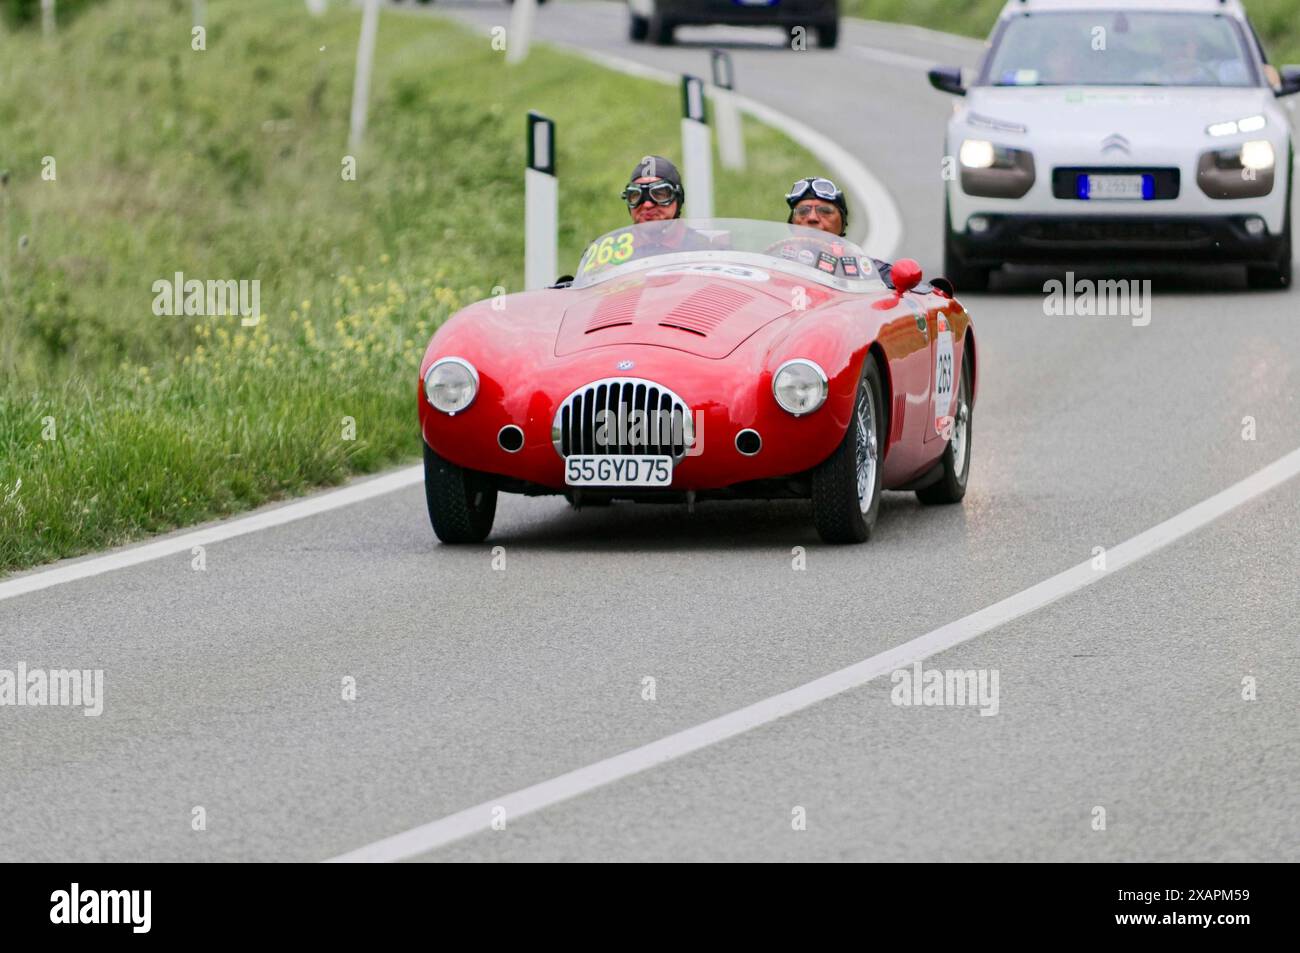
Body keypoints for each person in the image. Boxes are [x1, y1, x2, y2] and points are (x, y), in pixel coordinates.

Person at [785, 176, 894, 288]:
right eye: (803, 211)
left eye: (825, 211)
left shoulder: (868, 269)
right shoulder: (773, 259)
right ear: (792, 222)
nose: (812, 217)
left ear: (842, 223)